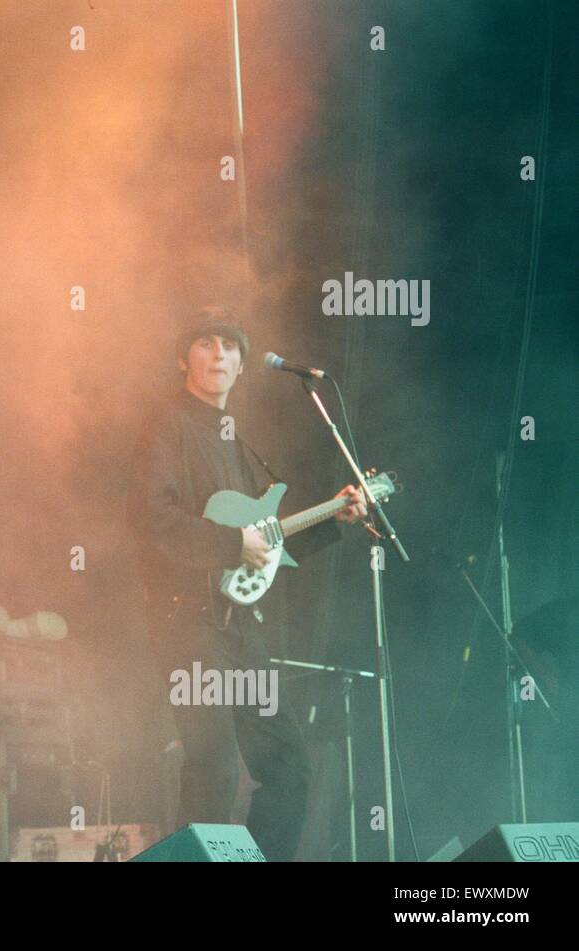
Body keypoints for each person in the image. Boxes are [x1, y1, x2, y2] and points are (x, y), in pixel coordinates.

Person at [127, 307, 367, 861]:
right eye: (206, 343)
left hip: (239, 628)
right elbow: (149, 519)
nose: (219, 355)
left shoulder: (238, 442)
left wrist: (335, 519)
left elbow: (269, 545)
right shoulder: (168, 426)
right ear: (181, 359)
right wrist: (231, 543)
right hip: (188, 620)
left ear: (241, 366)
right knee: (210, 765)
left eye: (230, 347)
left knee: (289, 767)